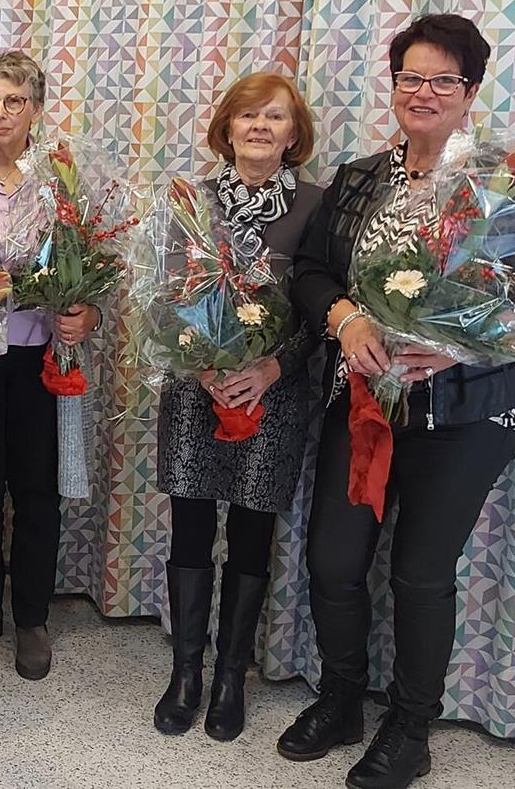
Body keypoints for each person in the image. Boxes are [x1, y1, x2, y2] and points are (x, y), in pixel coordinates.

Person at [280, 14, 515, 789]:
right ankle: (343, 696)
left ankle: (411, 728)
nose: (423, 92)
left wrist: (460, 342)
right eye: (410, 77)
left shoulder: (504, 183)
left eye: (443, 80)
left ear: (471, 92)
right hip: (366, 399)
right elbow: (313, 270)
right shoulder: (359, 177)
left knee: (421, 572)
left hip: (470, 407)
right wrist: (346, 316)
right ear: (393, 86)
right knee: (333, 558)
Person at [151, 72, 321, 741]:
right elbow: (165, 292)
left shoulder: (316, 204)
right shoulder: (190, 197)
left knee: (252, 530)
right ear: (226, 127)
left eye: (273, 117)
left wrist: (271, 365)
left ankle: (229, 675)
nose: (258, 127)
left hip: (274, 392)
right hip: (198, 387)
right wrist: (204, 364)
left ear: (293, 132)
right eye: (247, 115)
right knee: (191, 524)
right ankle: (185, 671)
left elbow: (323, 303)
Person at [0, 51, 99, 680]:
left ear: (35, 109)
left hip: (40, 358)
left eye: (14, 101)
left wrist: (85, 312)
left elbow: (94, 262)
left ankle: (31, 615)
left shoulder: (62, 175)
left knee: (36, 492)